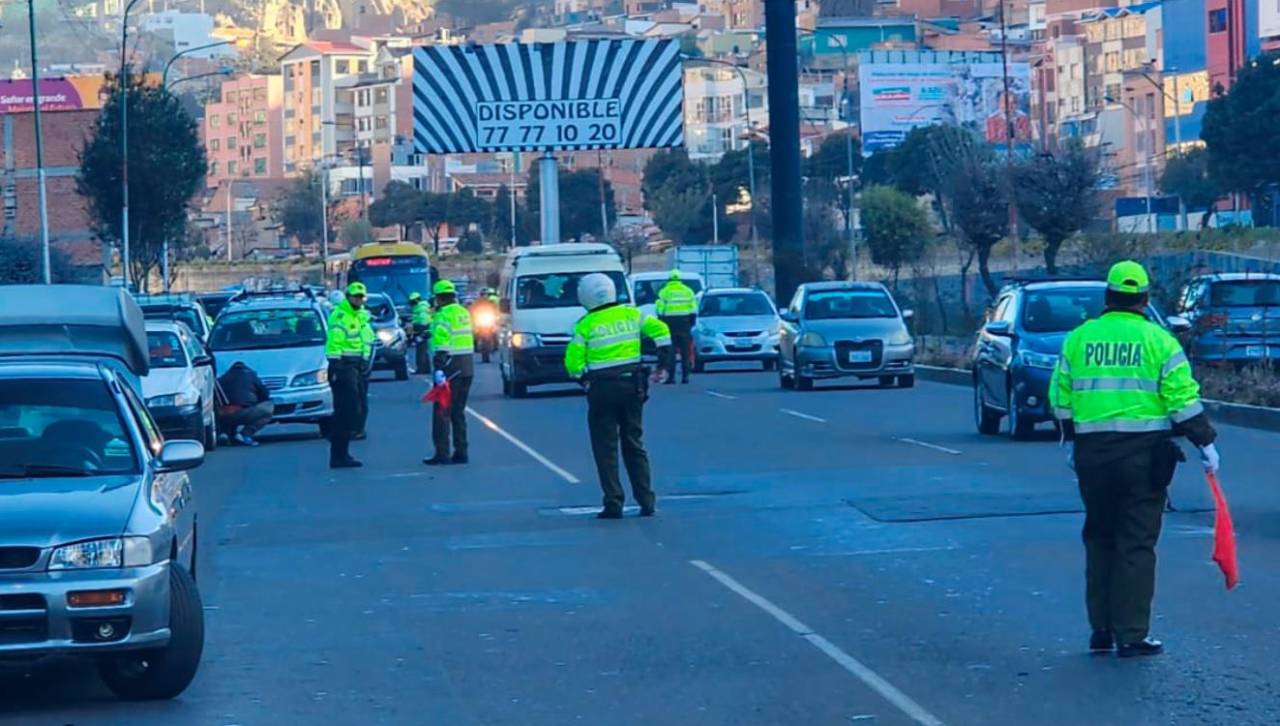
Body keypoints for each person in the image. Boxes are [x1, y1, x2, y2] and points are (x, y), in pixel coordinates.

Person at [1050, 260, 1219, 658]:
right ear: (1144, 298)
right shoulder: (1159, 341)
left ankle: (1101, 630)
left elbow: (1059, 400)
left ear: (1108, 297)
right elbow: (1181, 400)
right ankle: (1132, 634)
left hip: (1093, 456)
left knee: (1100, 537)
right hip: (1144, 459)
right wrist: (1205, 443)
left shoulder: (1079, 339)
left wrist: (1074, 437)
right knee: (1136, 543)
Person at [565, 272, 674, 519]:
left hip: (602, 389)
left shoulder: (585, 325)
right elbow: (662, 332)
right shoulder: (633, 315)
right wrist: (663, 364)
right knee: (634, 442)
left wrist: (584, 380)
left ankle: (614, 502)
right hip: (632, 386)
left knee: (605, 447)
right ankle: (646, 500)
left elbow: (573, 363)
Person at [423, 279, 475, 466]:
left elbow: (442, 345)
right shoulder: (463, 313)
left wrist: (438, 368)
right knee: (458, 412)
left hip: (450, 368)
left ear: (438, 298)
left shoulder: (442, 316)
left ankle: (442, 453)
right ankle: (462, 452)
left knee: (442, 412)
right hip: (467, 367)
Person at [326, 282, 374, 468]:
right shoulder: (341, 316)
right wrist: (336, 365)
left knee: (353, 410)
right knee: (345, 412)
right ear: (348, 296)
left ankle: (342, 454)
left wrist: (365, 359)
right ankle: (339, 455)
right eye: (356, 296)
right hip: (343, 367)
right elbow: (334, 343)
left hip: (357, 367)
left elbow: (366, 340)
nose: (359, 299)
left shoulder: (361, 316)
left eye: (361, 297)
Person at [655, 270, 698, 384]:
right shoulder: (688, 291)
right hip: (684, 322)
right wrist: (691, 323)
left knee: (671, 352)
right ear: (680, 279)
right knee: (685, 351)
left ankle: (671, 377)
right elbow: (693, 309)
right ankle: (685, 377)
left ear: (669, 280)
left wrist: (662, 322)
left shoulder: (664, 291)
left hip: (669, 323)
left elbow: (660, 310)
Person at [217, 361, 273, 446]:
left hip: (222, 414)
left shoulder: (222, 378)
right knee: (268, 408)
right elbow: (265, 394)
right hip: (241, 412)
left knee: (228, 409)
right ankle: (245, 434)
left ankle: (225, 433)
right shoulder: (251, 376)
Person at [353, 303, 376, 440]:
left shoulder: (360, 323)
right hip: (359, 364)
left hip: (359, 365)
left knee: (358, 398)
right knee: (358, 398)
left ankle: (358, 429)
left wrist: (364, 363)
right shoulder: (364, 324)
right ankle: (357, 428)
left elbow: (367, 346)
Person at [408, 291, 432, 375]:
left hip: (422, 331)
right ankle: (426, 369)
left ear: (416, 300)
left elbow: (424, 322)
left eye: (412, 301)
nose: (411, 303)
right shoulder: (419, 307)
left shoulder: (421, 308)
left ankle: (421, 369)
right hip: (421, 331)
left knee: (420, 351)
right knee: (424, 350)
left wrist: (422, 334)